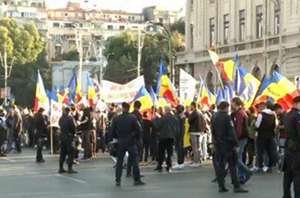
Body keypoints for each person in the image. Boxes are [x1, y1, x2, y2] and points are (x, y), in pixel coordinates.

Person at [211, 101, 248, 193]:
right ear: (226, 107)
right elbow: (231, 131)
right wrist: (236, 144)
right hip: (228, 145)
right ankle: (236, 185)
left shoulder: (214, 116)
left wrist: (214, 143)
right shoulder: (227, 117)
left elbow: (213, 131)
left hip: (218, 144)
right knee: (232, 165)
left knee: (221, 166)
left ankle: (221, 185)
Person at [112, 102, 145, 187]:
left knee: (119, 162)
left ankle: (118, 180)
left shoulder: (116, 118)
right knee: (135, 160)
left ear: (123, 108)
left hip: (121, 141)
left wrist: (115, 140)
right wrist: (136, 138)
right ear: (129, 108)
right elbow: (139, 129)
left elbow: (112, 131)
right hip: (131, 141)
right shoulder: (133, 118)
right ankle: (136, 179)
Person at [231, 97, 252, 184]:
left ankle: (246, 173)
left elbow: (239, 128)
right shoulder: (241, 112)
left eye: (232, 102)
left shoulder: (239, 113)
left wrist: (235, 139)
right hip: (242, 137)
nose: (231, 104)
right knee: (238, 157)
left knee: (237, 158)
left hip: (240, 138)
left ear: (235, 103)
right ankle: (241, 175)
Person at [282, 96, 300, 198]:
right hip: (296, 148)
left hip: (288, 147)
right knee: (297, 174)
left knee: (287, 175)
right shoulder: (297, 116)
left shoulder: (287, 115)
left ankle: (286, 195)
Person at [153, 106, 178, 172]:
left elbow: (157, 126)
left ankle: (160, 165)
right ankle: (169, 166)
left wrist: (154, 119)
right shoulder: (174, 118)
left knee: (161, 152)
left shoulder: (163, 118)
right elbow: (176, 128)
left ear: (166, 110)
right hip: (171, 137)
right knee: (169, 152)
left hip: (163, 137)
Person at [255, 102, 278, 173]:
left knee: (260, 152)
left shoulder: (260, 115)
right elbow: (275, 125)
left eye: (259, 107)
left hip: (261, 136)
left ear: (262, 107)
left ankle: (260, 167)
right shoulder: (273, 114)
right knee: (270, 151)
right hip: (270, 135)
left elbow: (257, 125)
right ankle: (270, 167)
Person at [58, 107, 77, 174]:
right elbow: (73, 127)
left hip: (62, 137)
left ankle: (60, 168)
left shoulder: (61, 118)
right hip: (69, 137)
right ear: (68, 111)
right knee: (71, 153)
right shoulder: (69, 118)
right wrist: (74, 133)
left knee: (62, 153)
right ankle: (70, 168)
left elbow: (59, 124)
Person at [188, 102, 206, 166]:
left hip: (194, 131)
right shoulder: (200, 112)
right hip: (200, 131)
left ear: (193, 106)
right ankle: (199, 160)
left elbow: (189, 120)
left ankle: (196, 161)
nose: (190, 107)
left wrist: (189, 113)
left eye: (191, 106)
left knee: (195, 147)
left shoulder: (194, 113)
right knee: (198, 147)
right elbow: (204, 121)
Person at [173, 105, 186, 170]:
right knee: (180, 149)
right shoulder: (182, 115)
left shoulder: (180, 116)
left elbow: (178, 126)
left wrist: (176, 134)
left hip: (179, 134)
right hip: (181, 134)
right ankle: (180, 162)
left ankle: (180, 162)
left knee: (179, 149)